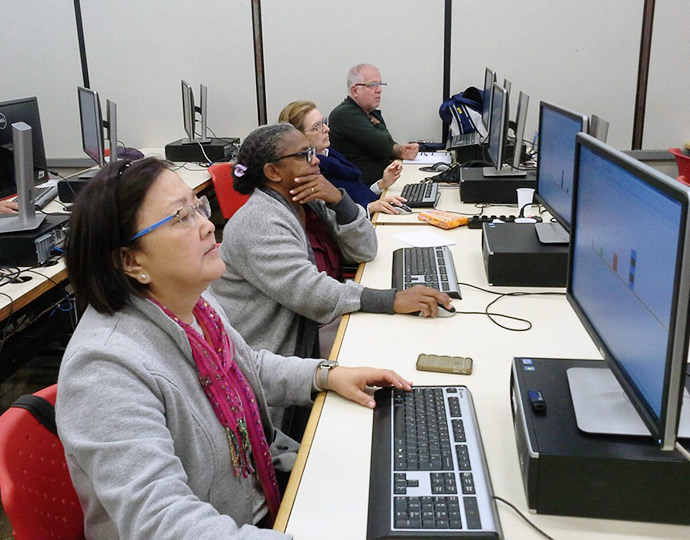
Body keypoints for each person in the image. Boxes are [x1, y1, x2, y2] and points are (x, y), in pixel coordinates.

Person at [56, 157, 413, 539]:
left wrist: (328, 374)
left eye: (198, 207)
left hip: (260, 498)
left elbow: (248, 367)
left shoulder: (194, 305)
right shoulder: (104, 369)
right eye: (182, 217)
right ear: (130, 261)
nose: (209, 225)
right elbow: (164, 524)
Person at [210, 123, 452, 363]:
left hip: (314, 328)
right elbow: (310, 293)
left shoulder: (308, 201)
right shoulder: (259, 222)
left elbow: (366, 250)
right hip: (276, 357)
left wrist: (338, 199)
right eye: (304, 155)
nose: (315, 161)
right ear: (273, 172)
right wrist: (391, 299)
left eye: (312, 152)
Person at [278, 100, 405, 215]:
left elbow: (356, 192)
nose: (327, 129)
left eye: (324, 122)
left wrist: (381, 184)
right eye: (317, 127)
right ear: (298, 137)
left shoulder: (330, 154)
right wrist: (369, 208)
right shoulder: (311, 171)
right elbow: (329, 216)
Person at [329, 63, 420, 185]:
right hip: (362, 190)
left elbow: (381, 145)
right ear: (354, 90)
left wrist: (399, 150)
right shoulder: (346, 114)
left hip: (379, 184)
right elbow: (384, 145)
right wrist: (379, 126)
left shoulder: (369, 113)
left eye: (380, 84)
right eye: (372, 85)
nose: (379, 90)